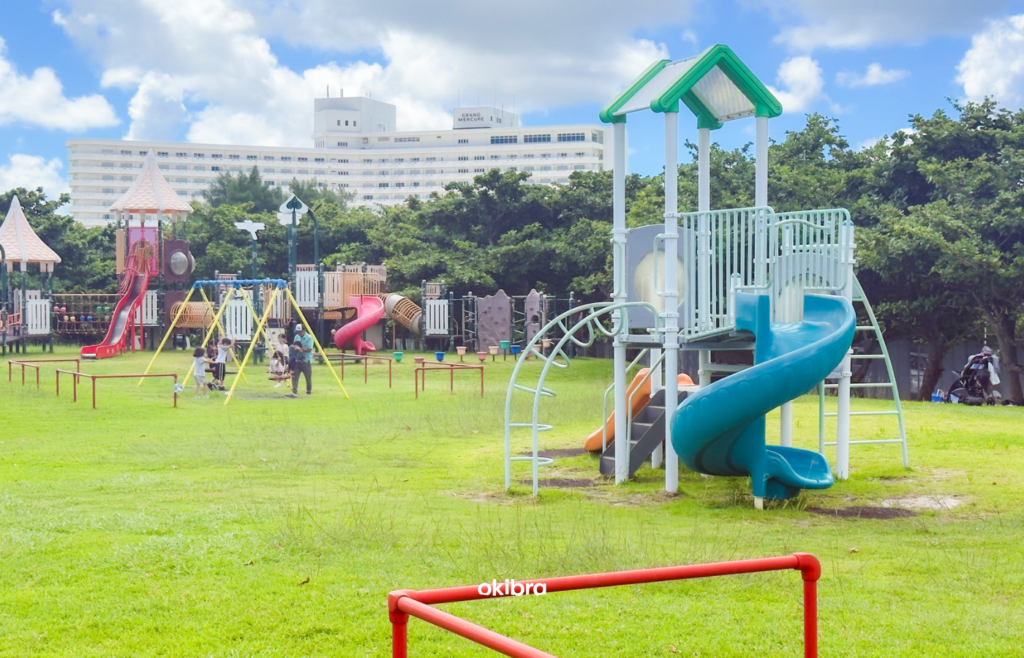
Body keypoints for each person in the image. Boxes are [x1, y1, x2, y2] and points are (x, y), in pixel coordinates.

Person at [288, 323, 314, 397]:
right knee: (294, 375)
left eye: (300, 332)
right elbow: (294, 344)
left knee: (308, 376)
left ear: (304, 330)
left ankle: (308, 391)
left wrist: (300, 349)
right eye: (298, 332)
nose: (299, 333)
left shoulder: (309, 338)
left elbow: (309, 348)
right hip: (297, 359)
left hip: (306, 360)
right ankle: (294, 391)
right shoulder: (296, 337)